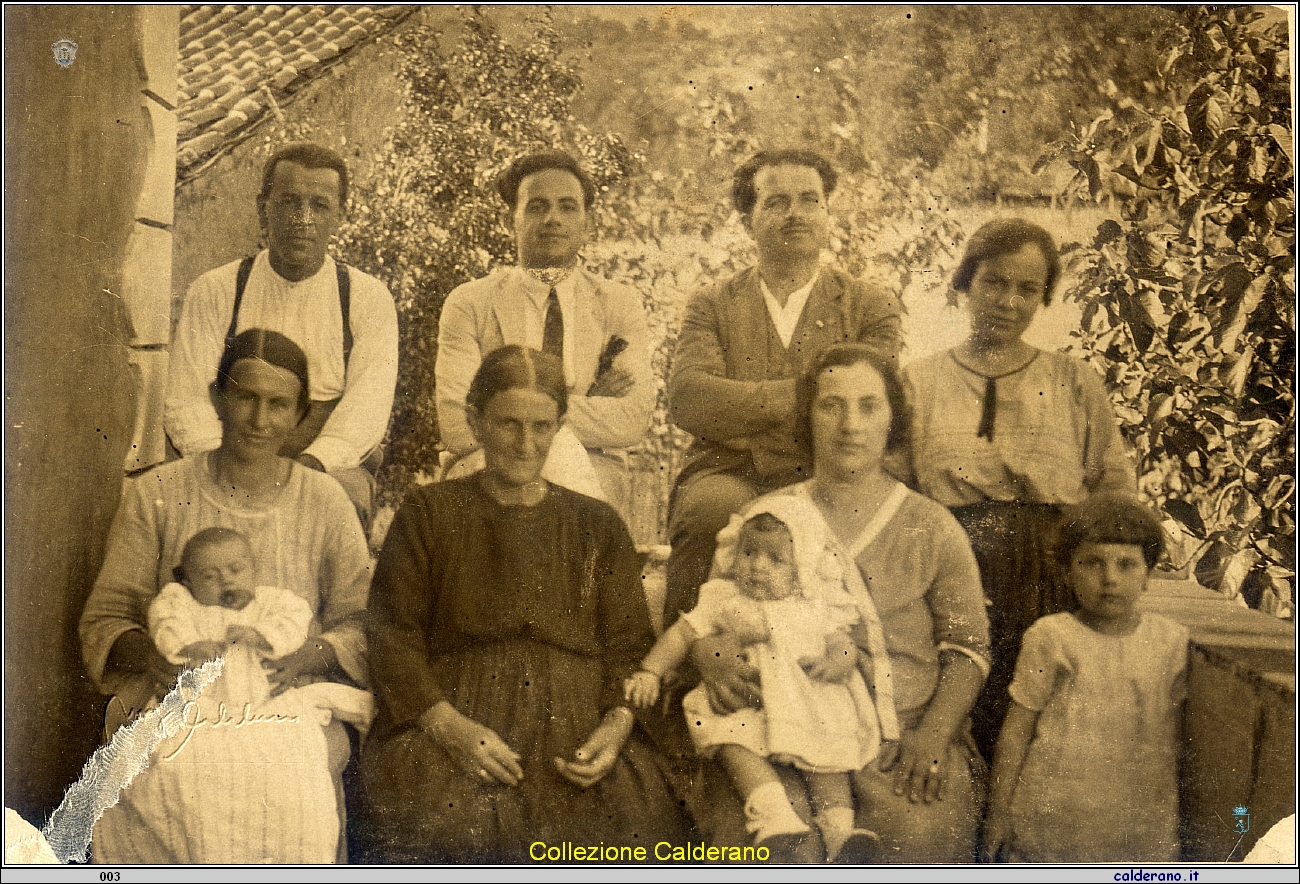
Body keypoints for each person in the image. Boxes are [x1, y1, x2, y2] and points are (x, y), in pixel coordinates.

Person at [358, 345, 687, 863]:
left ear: (559, 427)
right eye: (509, 423)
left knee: (633, 824)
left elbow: (629, 648)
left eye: (542, 426)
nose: (526, 442)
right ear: (476, 422)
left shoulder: (598, 524)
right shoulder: (429, 512)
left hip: (577, 724)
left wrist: (617, 725)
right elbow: (391, 635)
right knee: (448, 825)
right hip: (460, 716)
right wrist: (449, 727)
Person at [81, 328, 372, 863]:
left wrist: (310, 653)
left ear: (301, 415)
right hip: (180, 697)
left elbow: (363, 621)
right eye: (245, 397)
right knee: (170, 778)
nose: (260, 420)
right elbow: (106, 617)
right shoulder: (159, 494)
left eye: (279, 404)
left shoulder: (326, 502)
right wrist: (153, 655)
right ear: (217, 397)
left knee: (288, 788)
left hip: (284, 701)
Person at [692, 344, 991, 863]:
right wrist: (709, 654)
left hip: (901, 740)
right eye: (831, 405)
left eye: (869, 405)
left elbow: (969, 649)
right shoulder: (765, 517)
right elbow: (715, 613)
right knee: (774, 850)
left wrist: (933, 737)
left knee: (912, 845)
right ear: (807, 417)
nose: (850, 424)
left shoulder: (931, 526)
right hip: (778, 733)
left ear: (892, 418)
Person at [903, 218, 1136, 758]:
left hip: (1049, 578)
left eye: (1027, 289)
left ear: (1043, 297)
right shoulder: (918, 382)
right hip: (949, 569)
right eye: (994, 282)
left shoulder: (1074, 382)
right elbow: (896, 490)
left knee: (1035, 729)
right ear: (965, 284)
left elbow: (1113, 490)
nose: (1008, 301)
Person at [665, 149, 903, 628]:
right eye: (776, 202)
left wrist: (741, 410)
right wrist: (814, 397)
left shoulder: (869, 305)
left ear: (827, 213)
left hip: (831, 469)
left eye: (809, 200)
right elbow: (689, 399)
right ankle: (681, 676)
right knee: (709, 510)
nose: (795, 213)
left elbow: (874, 402)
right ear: (748, 220)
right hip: (728, 470)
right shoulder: (712, 303)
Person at [626, 495, 891, 861]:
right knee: (733, 743)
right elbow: (682, 633)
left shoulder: (814, 604)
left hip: (806, 702)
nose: (757, 567)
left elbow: (842, 642)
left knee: (828, 759)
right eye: (749, 553)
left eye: (775, 559)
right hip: (748, 703)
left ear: (801, 569)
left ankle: (840, 832)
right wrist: (650, 671)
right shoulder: (724, 598)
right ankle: (772, 815)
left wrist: (840, 662)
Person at [165, 142, 399, 525]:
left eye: (319, 206)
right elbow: (186, 400)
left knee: (344, 500)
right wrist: (227, 471)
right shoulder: (217, 290)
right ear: (263, 208)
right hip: (226, 455)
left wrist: (308, 469)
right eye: (289, 202)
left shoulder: (366, 298)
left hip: (323, 463)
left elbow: (366, 410)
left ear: (340, 215)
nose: (302, 219)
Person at [435, 151, 654, 515]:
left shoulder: (618, 304)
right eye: (537, 206)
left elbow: (632, 419)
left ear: (588, 222)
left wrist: (504, 410)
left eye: (568, 207)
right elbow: (457, 425)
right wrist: (574, 405)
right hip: (483, 465)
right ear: (512, 220)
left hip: (594, 467)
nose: (553, 219)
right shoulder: (470, 302)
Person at [983, 494, 1188, 863]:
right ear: (1066, 572)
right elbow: (1016, 732)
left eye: (1127, 565)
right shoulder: (1051, 637)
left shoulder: (1170, 642)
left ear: (1149, 573)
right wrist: (997, 814)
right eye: (1091, 563)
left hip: (1137, 824)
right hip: (1053, 816)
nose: (1109, 579)